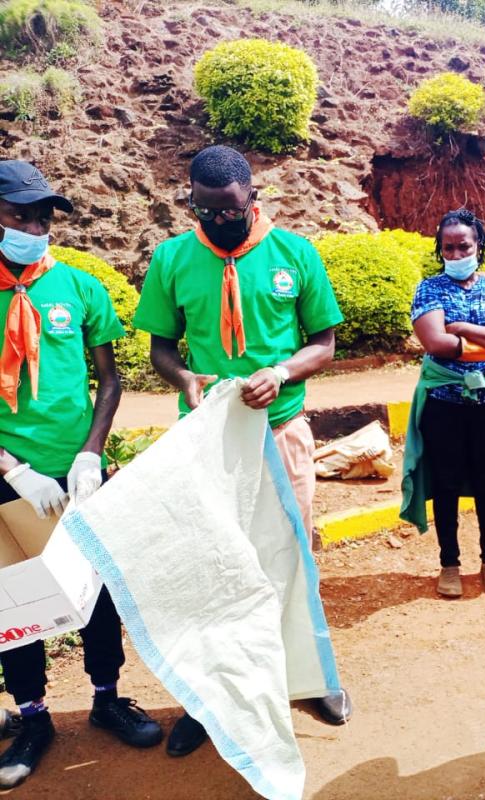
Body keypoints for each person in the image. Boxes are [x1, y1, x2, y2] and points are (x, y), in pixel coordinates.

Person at [132, 145, 352, 757]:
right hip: (209, 441)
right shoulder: (173, 258)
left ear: (252, 197)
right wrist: (185, 379)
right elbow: (161, 348)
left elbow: (324, 343)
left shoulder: (294, 253)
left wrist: (281, 372)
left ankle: (310, 678)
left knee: (293, 557)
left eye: (230, 210)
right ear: (192, 201)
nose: (219, 221)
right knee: (217, 566)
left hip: (280, 431)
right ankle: (212, 698)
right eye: (205, 211)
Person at [0, 160, 163, 788]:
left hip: (79, 473)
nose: (34, 229)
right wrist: (15, 469)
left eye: (43, 218)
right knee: (18, 598)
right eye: (19, 216)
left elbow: (110, 379)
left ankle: (106, 698)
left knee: (97, 591)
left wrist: (91, 452)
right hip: (9, 476)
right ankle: (33, 717)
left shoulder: (79, 287)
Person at [399, 209, 485, 599]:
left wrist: (465, 329)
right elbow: (435, 343)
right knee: (446, 482)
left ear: (478, 245)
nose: (456, 254)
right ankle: (449, 564)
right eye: (448, 248)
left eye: (463, 247)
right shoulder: (429, 289)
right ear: (440, 249)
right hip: (443, 402)